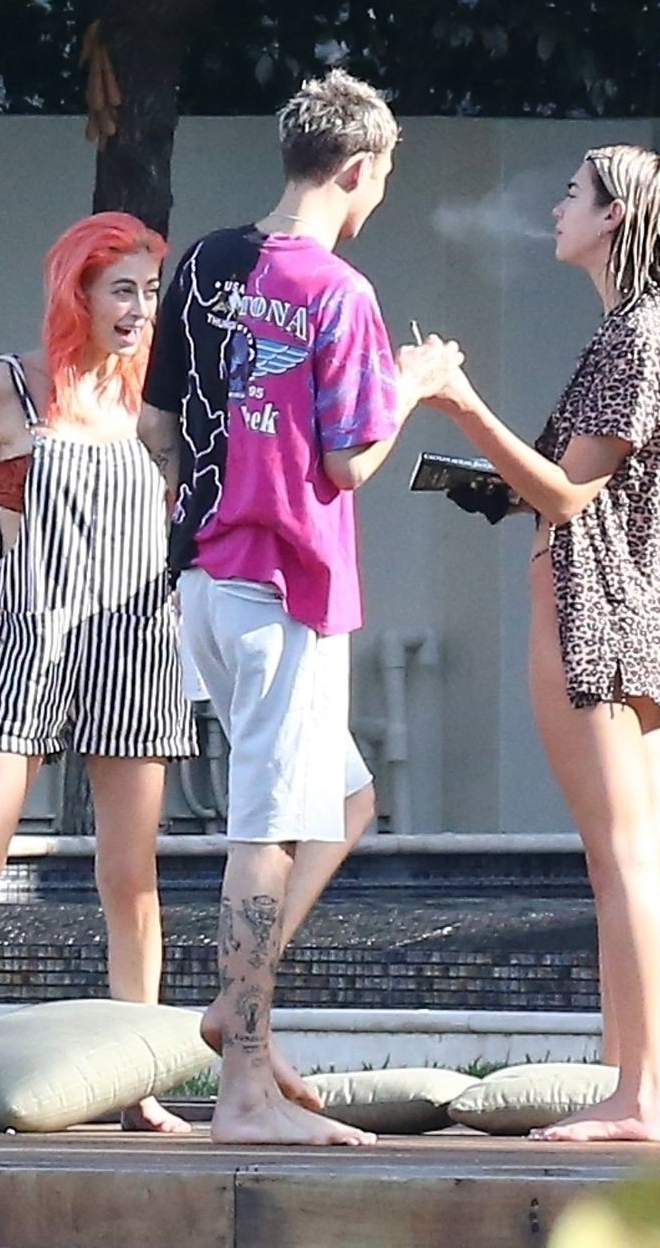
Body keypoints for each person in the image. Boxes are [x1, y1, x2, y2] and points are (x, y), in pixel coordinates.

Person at [138, 69, 456, 1146]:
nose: (381, 194)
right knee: (268, 831)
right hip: (285, 589)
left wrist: (210, 498)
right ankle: (243, 1093)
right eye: (385, 176)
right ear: (358, 168)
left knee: (346, 800)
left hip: (205, 583)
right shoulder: (340, 292)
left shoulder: (203, 262)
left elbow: (157, 424)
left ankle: (235, 1009)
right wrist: (417, 384)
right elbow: (352, 459)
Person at [420, 145, 660, 1142]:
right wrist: (496, 479)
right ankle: (647, 1081)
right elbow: (575, 479)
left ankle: (640, 1093)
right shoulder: (653, 329)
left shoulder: (636, 335)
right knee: (649, 855)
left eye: (573, 195)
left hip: (601, 619)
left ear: (615, 216)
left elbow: (571, 492)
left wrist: (459, 402)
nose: (555, 208)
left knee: (622, 861)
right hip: (642, 621)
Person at [0, 212, 197, 1133]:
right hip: (28, 638)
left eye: (150, 291)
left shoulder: (157, 408)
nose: (140, 308)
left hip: (136, 643)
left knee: (130, 875)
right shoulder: (9, 388)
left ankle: (137, 1080)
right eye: (123, 289)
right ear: (80, 292)